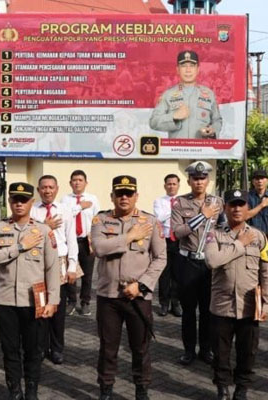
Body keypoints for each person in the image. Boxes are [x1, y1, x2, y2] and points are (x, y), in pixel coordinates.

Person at [92, 175, 166, 400]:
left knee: (140, 348)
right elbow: (99, 248)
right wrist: (129, 237)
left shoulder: (150, 221)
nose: (124, 197)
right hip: (109, 296)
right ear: (112, 196)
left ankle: (141, 390)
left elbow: (160, 258)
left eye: (129, 193)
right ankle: (106, 389)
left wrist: (142, 285)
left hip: (138, 297)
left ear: (136, 196)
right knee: (108, 348)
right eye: (119, 193)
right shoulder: (101, 220)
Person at [0, 182, 59, 400]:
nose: (18, 203)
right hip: (6, 302)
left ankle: (32, 391)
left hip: (34, 301)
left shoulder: (44, 231)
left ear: (31, 202)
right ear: (9, 201)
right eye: (15, 199)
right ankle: (14, 390)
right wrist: (19, 246)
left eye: (23, 200)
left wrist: (53, 300)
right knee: (10, 349)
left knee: (34, 350)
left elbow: (52, 268)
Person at [205, 189, 268, 400]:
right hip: (222, 306)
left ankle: (242, 389)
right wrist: (239, 244)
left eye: (241, 205)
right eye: (232, 205)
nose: (236, 209)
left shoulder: (259, 236)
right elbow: (212, 261)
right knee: (221, 353)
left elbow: (267, 271)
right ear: (225, 208)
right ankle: (222, 388)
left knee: (248, 353)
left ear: (247, 208)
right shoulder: (214, 234)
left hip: (249, 306)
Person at [170, 161, 223, 366]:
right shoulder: (180, 203)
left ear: (208, 181)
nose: (199, 182)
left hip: (210, 263)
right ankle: (189, 350)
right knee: (189, 310)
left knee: (208, 309)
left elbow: (224, 228)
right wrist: (202, 216)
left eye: (202, 178)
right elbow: (177, 232)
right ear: (189, 181)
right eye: (195, 178)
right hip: (188, 262)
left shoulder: (217, 202)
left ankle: (206, 349)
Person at [30, 175, 78, 365]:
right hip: (38, 263)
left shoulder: (65, 211)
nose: (47, 191)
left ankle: (57, 348)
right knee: (41, 307)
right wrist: (44, 227)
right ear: (38, 189)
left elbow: (71, 240)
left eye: (51, 187)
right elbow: (29, 237)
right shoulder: (32, 212)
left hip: (60, 262)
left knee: (58, 310)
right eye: (44, 187)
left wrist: (72, 266)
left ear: (57, 189)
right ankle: (40, 347)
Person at [149, 50, 223, 139]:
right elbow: (154, 122)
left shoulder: (209, 94)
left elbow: (217, 120)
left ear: (198, 69)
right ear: (178, 70)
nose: (188, 70)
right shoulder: (168, 94)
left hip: (202, 150)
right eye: (183, 66)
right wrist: (174, 116)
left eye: (192, 66)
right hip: (176, 150)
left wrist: (213, 130)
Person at [61, 169, 100, 316]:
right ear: (70, 183)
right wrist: (80, 206)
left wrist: (94, 238)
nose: (77, 182)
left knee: (87, 275)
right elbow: (65, 216)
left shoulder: (93, 199)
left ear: (86, 183)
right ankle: (71, 301)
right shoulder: (65, 200)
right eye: (74, 180)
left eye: (80, 180)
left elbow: (97, 220)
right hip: (70, 241)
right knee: (71, 272)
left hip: (86, 241)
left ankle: (85, 302)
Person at [153, 173, 182, 317]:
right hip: (164, 240)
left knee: (178, 274)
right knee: (164, 274)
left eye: (174, 184)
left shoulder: (183, 200)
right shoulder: (159, 201)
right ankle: (164, 304)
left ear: (178, 185)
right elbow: (159, 218)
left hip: (178, 240)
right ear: (165, 186)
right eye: (169, 184)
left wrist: (170, 212)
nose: (171, 186)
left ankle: (176, 304)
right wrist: (175, 210)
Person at [246, 170, 268, 240]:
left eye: (262, 178)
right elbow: (245, 216)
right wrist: (262, 205)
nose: (260, 181)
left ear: (267, 181)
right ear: (253, 182)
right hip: (251, 236)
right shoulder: (247, 197)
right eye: (257, 179)